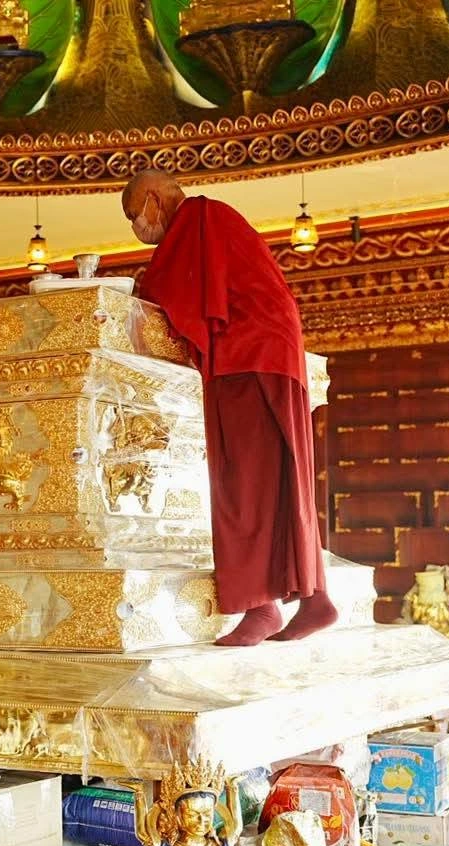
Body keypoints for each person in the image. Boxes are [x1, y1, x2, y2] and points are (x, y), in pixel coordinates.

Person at [121, 170, 337, 647]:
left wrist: (133, 292)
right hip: (271, 355)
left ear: (153, 200)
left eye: (135, 217)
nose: (138, 231)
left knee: (241, 481)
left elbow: (167, 287)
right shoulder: (209, 220)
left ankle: (261, 607)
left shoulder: (199, 216)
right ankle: (315, 598)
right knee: (282, 478)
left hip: (247, 356)